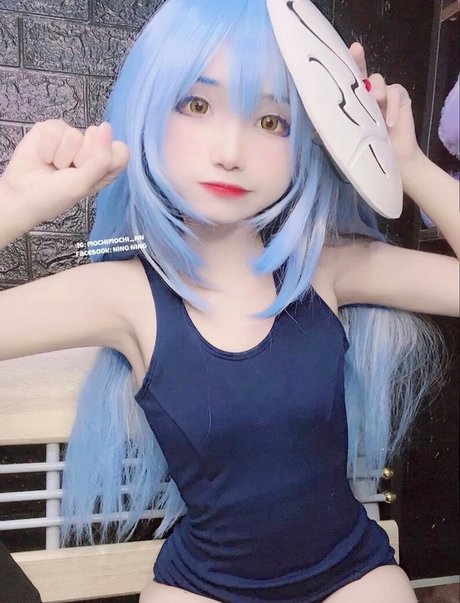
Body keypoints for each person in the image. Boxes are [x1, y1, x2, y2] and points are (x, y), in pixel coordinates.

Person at [0, 0, 458, 601]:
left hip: (351, 575)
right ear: (148, 105)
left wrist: (407, 164)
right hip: (204, 586)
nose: (231, 151)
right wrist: (14, 204)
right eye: (197, 104)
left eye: (272, 121)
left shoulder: (323, 267)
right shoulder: (122, 295)